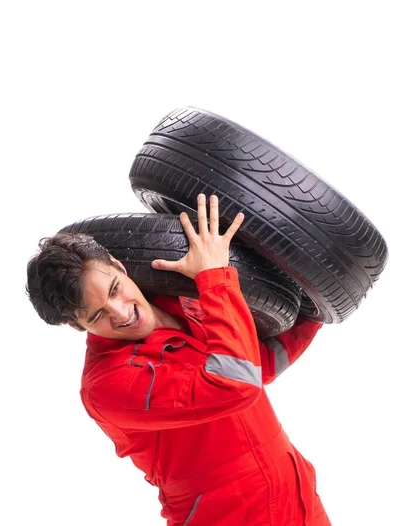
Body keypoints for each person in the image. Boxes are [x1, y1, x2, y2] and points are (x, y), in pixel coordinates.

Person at [26, 193, 331, 525]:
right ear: (76, 325)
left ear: (118, 264)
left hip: (296, 498)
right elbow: (237, 384)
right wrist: (215, 276)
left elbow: (258, 364)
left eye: (115, 289)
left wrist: (321, 303)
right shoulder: (108, 386)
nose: (121, 312)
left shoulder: (182, 300)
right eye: (97, 314)